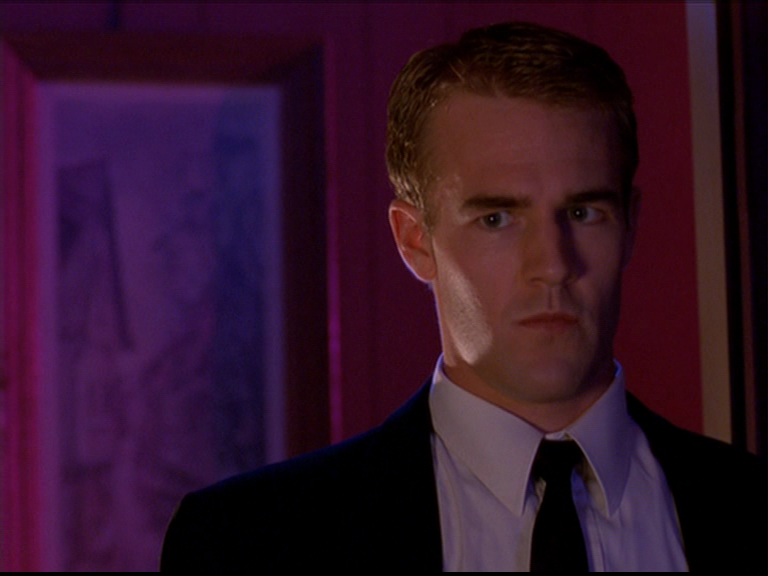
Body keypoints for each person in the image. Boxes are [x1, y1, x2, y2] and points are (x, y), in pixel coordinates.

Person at [161, 22, 766, 571]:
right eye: (497, 219)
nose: (553, 266)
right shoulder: (251, 543)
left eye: (583, 213)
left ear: (629, 225)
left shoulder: (755, 514)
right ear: (414, 240)